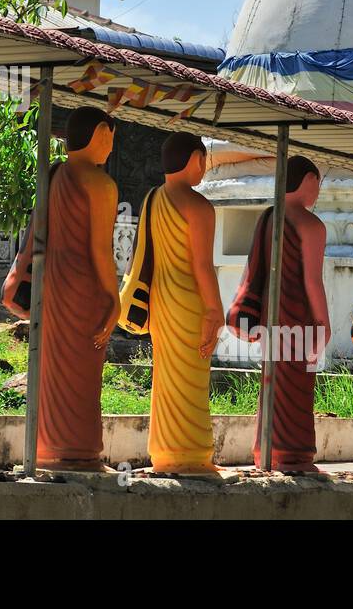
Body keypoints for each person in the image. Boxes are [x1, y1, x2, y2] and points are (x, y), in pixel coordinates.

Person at [30, 106, 120, 471]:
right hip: (85, 289)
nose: (111, 150)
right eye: (111, 140)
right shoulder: (100, 184)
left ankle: (49, 447)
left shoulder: (53, 176)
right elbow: (100, 249)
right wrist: (115, 300)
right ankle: (79, 451)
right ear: (100, 133)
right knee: (82, 377)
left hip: (53, 285)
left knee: (52, 370)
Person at [228, 156, 330, 472]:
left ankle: (267, 450)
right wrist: (324, 324)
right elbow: (312, 280)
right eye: (318, 182)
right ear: (308, 180)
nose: (319, 190)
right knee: (297, 388)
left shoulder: (270, 218)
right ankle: (293, 454)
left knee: (272, 382)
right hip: (299, 317)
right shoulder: (311, 225)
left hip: (273, 317)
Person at [145, 132, 225, 474]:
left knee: (165, 378)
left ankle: (163, 449)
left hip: (161, 299)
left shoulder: (153, 198)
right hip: (190, 300)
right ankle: (191, 451)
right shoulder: (197, 206)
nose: (204, 168)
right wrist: (215, 310)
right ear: (195, 159)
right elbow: (202, 266)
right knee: (191, 379)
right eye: (204, 160)